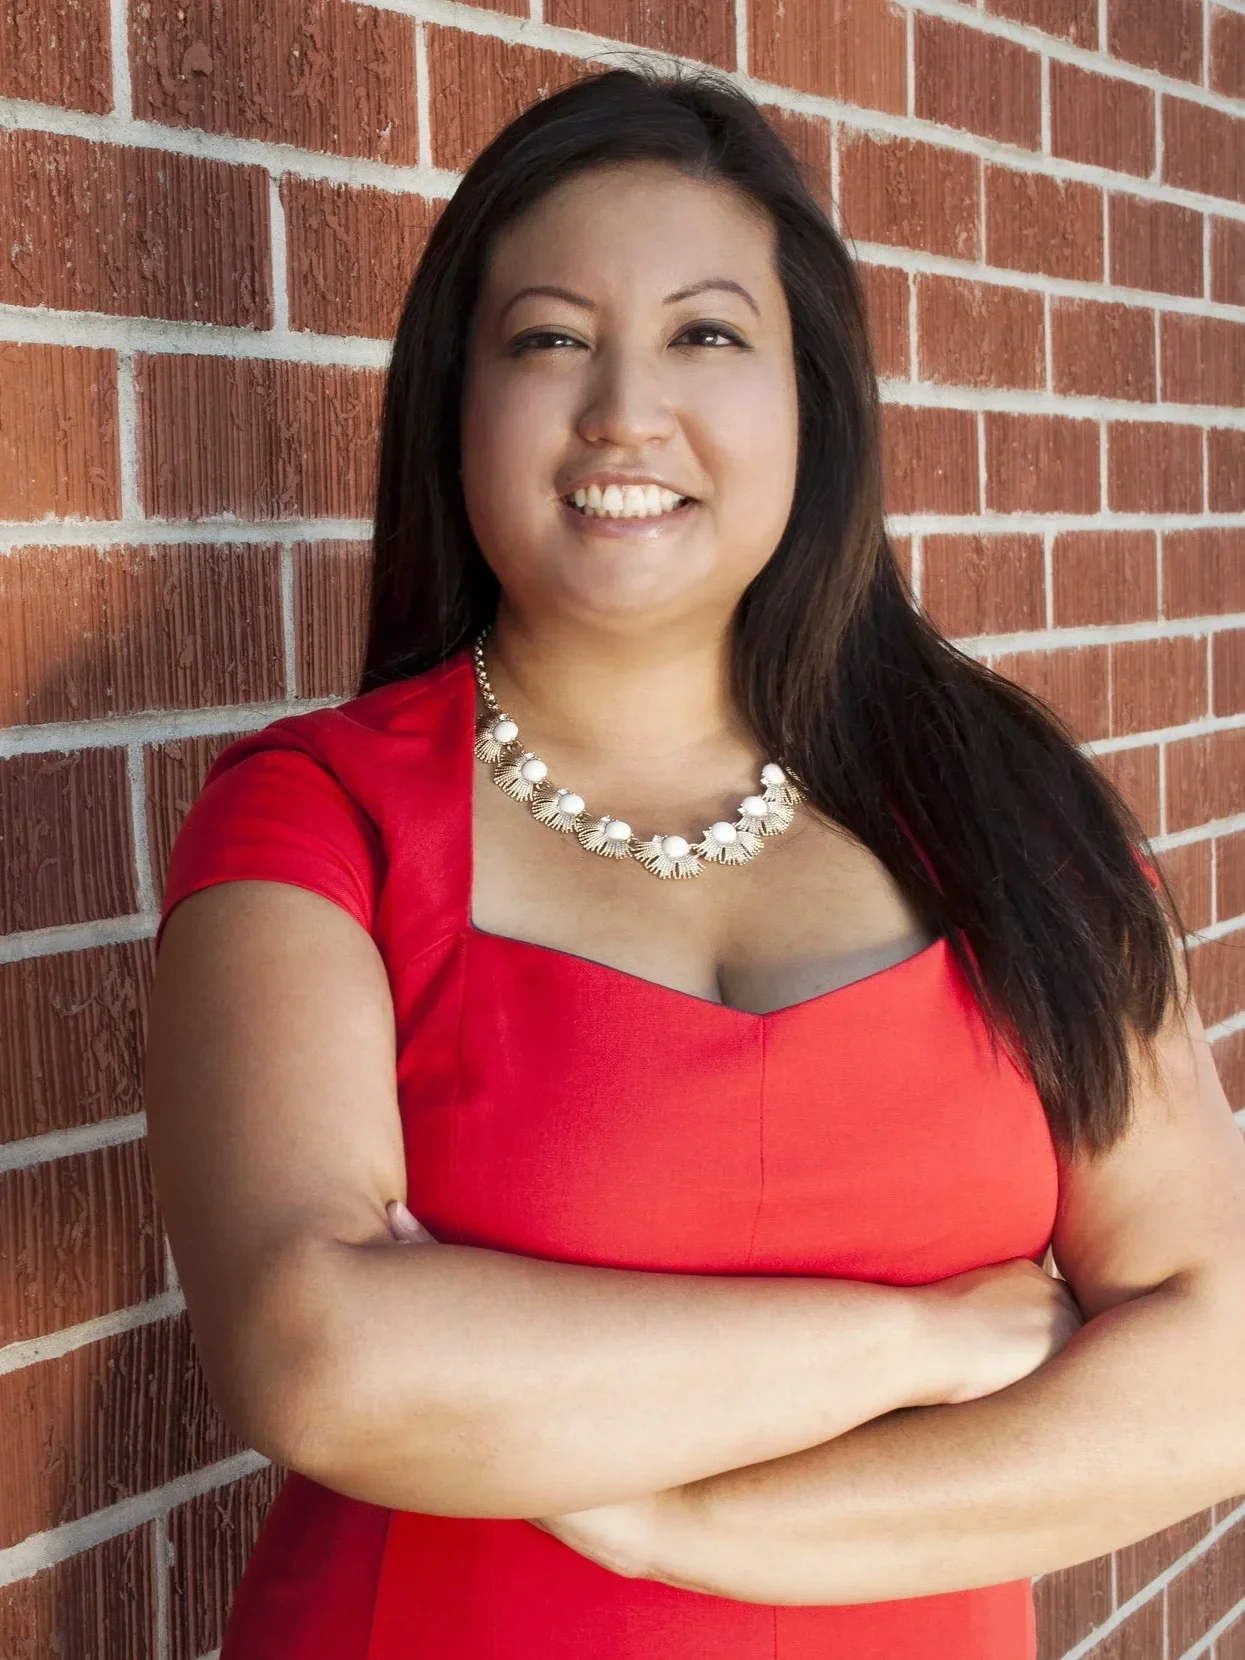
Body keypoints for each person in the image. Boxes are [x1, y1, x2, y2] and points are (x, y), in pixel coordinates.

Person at [142, 63, 1245, 1660]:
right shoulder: (320, 818)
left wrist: (692, 1528)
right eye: (547, 339)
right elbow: (322, 1355)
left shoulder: (1013, 821)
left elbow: (1214, 1369)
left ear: (815, 400)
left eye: (706, 334)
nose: (622, 410)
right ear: (458, 402)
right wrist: (918, 1340)